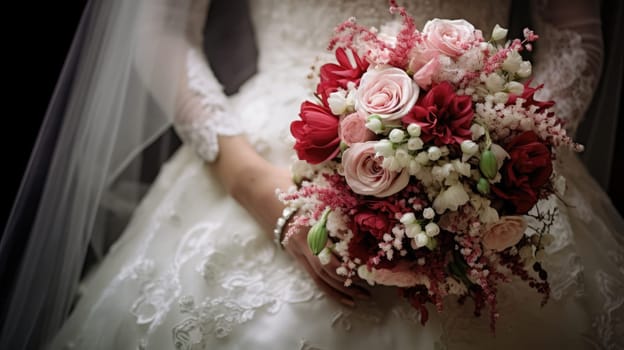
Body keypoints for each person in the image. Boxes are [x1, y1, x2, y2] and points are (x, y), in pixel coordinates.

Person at [1, 0, 622, 349]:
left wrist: (502, 151)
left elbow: (572, 31)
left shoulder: (495, 150)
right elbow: (160, 29)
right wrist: (256, 186)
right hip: (270, 145)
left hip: (483, 143)